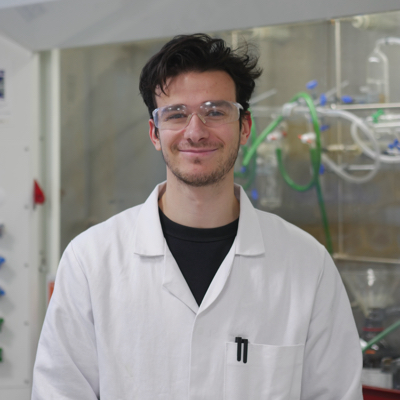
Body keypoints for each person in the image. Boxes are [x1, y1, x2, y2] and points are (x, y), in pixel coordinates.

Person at [32, 34, 362, 399]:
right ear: (155, 133)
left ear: (245, 127)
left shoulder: (307, 264)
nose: (195, 131)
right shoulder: (91, 260)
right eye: (176, 114)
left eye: (215, 112)